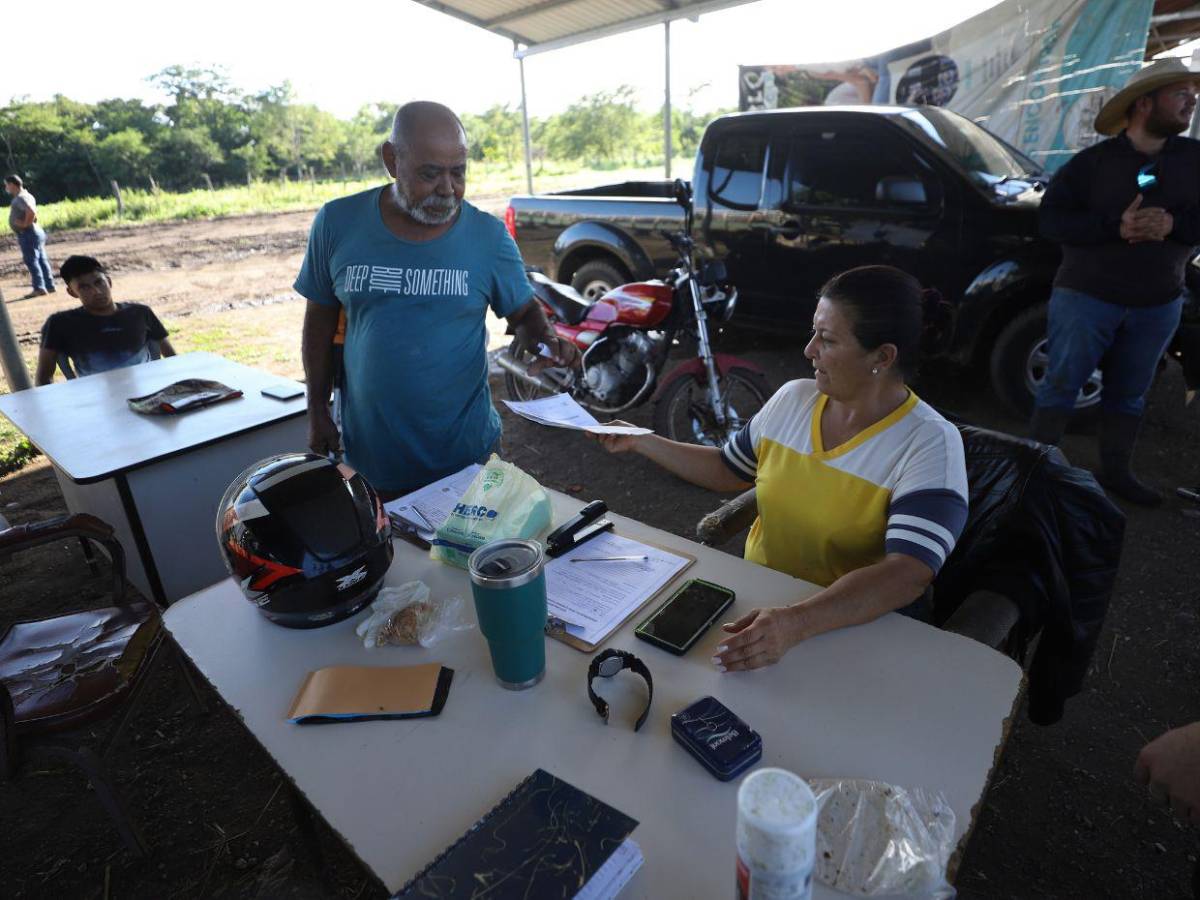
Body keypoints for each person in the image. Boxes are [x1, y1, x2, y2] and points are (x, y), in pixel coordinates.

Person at [593, 265, 967, 672]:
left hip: (846, 627)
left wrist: (798, 622)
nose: (809, 350)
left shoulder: (929, 443)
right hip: (757, 601)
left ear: (883, 356)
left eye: (827, 339)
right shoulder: (794, 400)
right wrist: (642, 439)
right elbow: (725, 467)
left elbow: (906, 573)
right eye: (813, 333)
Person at [295, 101, 578, 499]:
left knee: (467, 559)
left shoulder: (488, 237)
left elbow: (525, 311)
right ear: (392, 160)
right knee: (394, 559)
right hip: (372, 460)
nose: (447, 189)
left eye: (458, 172)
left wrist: (546, 340)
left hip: (468, 459)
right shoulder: (338, 223)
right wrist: (317, 410)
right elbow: (319, 322)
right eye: (430, 174)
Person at [1032, 58, 1200, 506]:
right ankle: (1034, 470)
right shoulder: (1090, 164)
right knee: (1061, 384)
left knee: (1130, 394)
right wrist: (1115, 228)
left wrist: (1174, 225)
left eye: (1192, 93)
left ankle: (1116, 473)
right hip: (1086, 297)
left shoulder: (1195, 159)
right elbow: (1050, 221)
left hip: (1158, 302)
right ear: (1145, 103)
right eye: (1180, 93)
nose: (1192, 100)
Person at [35, 255, 174, 385]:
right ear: (72, 292)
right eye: (84, 287)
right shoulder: (60, 323)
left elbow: (172, 358)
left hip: (148, 390)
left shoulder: (140, 313)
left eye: (99, 282)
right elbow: (43, 378)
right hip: (95, 399)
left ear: (109, 281)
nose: (96, 291)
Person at [5, 174, 56, 299]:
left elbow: (31, 211)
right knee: (41, 260)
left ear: (12, 184)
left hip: (28, 233)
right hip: (35, 231)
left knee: (31, 261)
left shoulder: (20, 198)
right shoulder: (27, 195)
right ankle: (49, 285)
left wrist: (24, 224)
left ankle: (39, 288)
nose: (5, 187)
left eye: (6, 184)